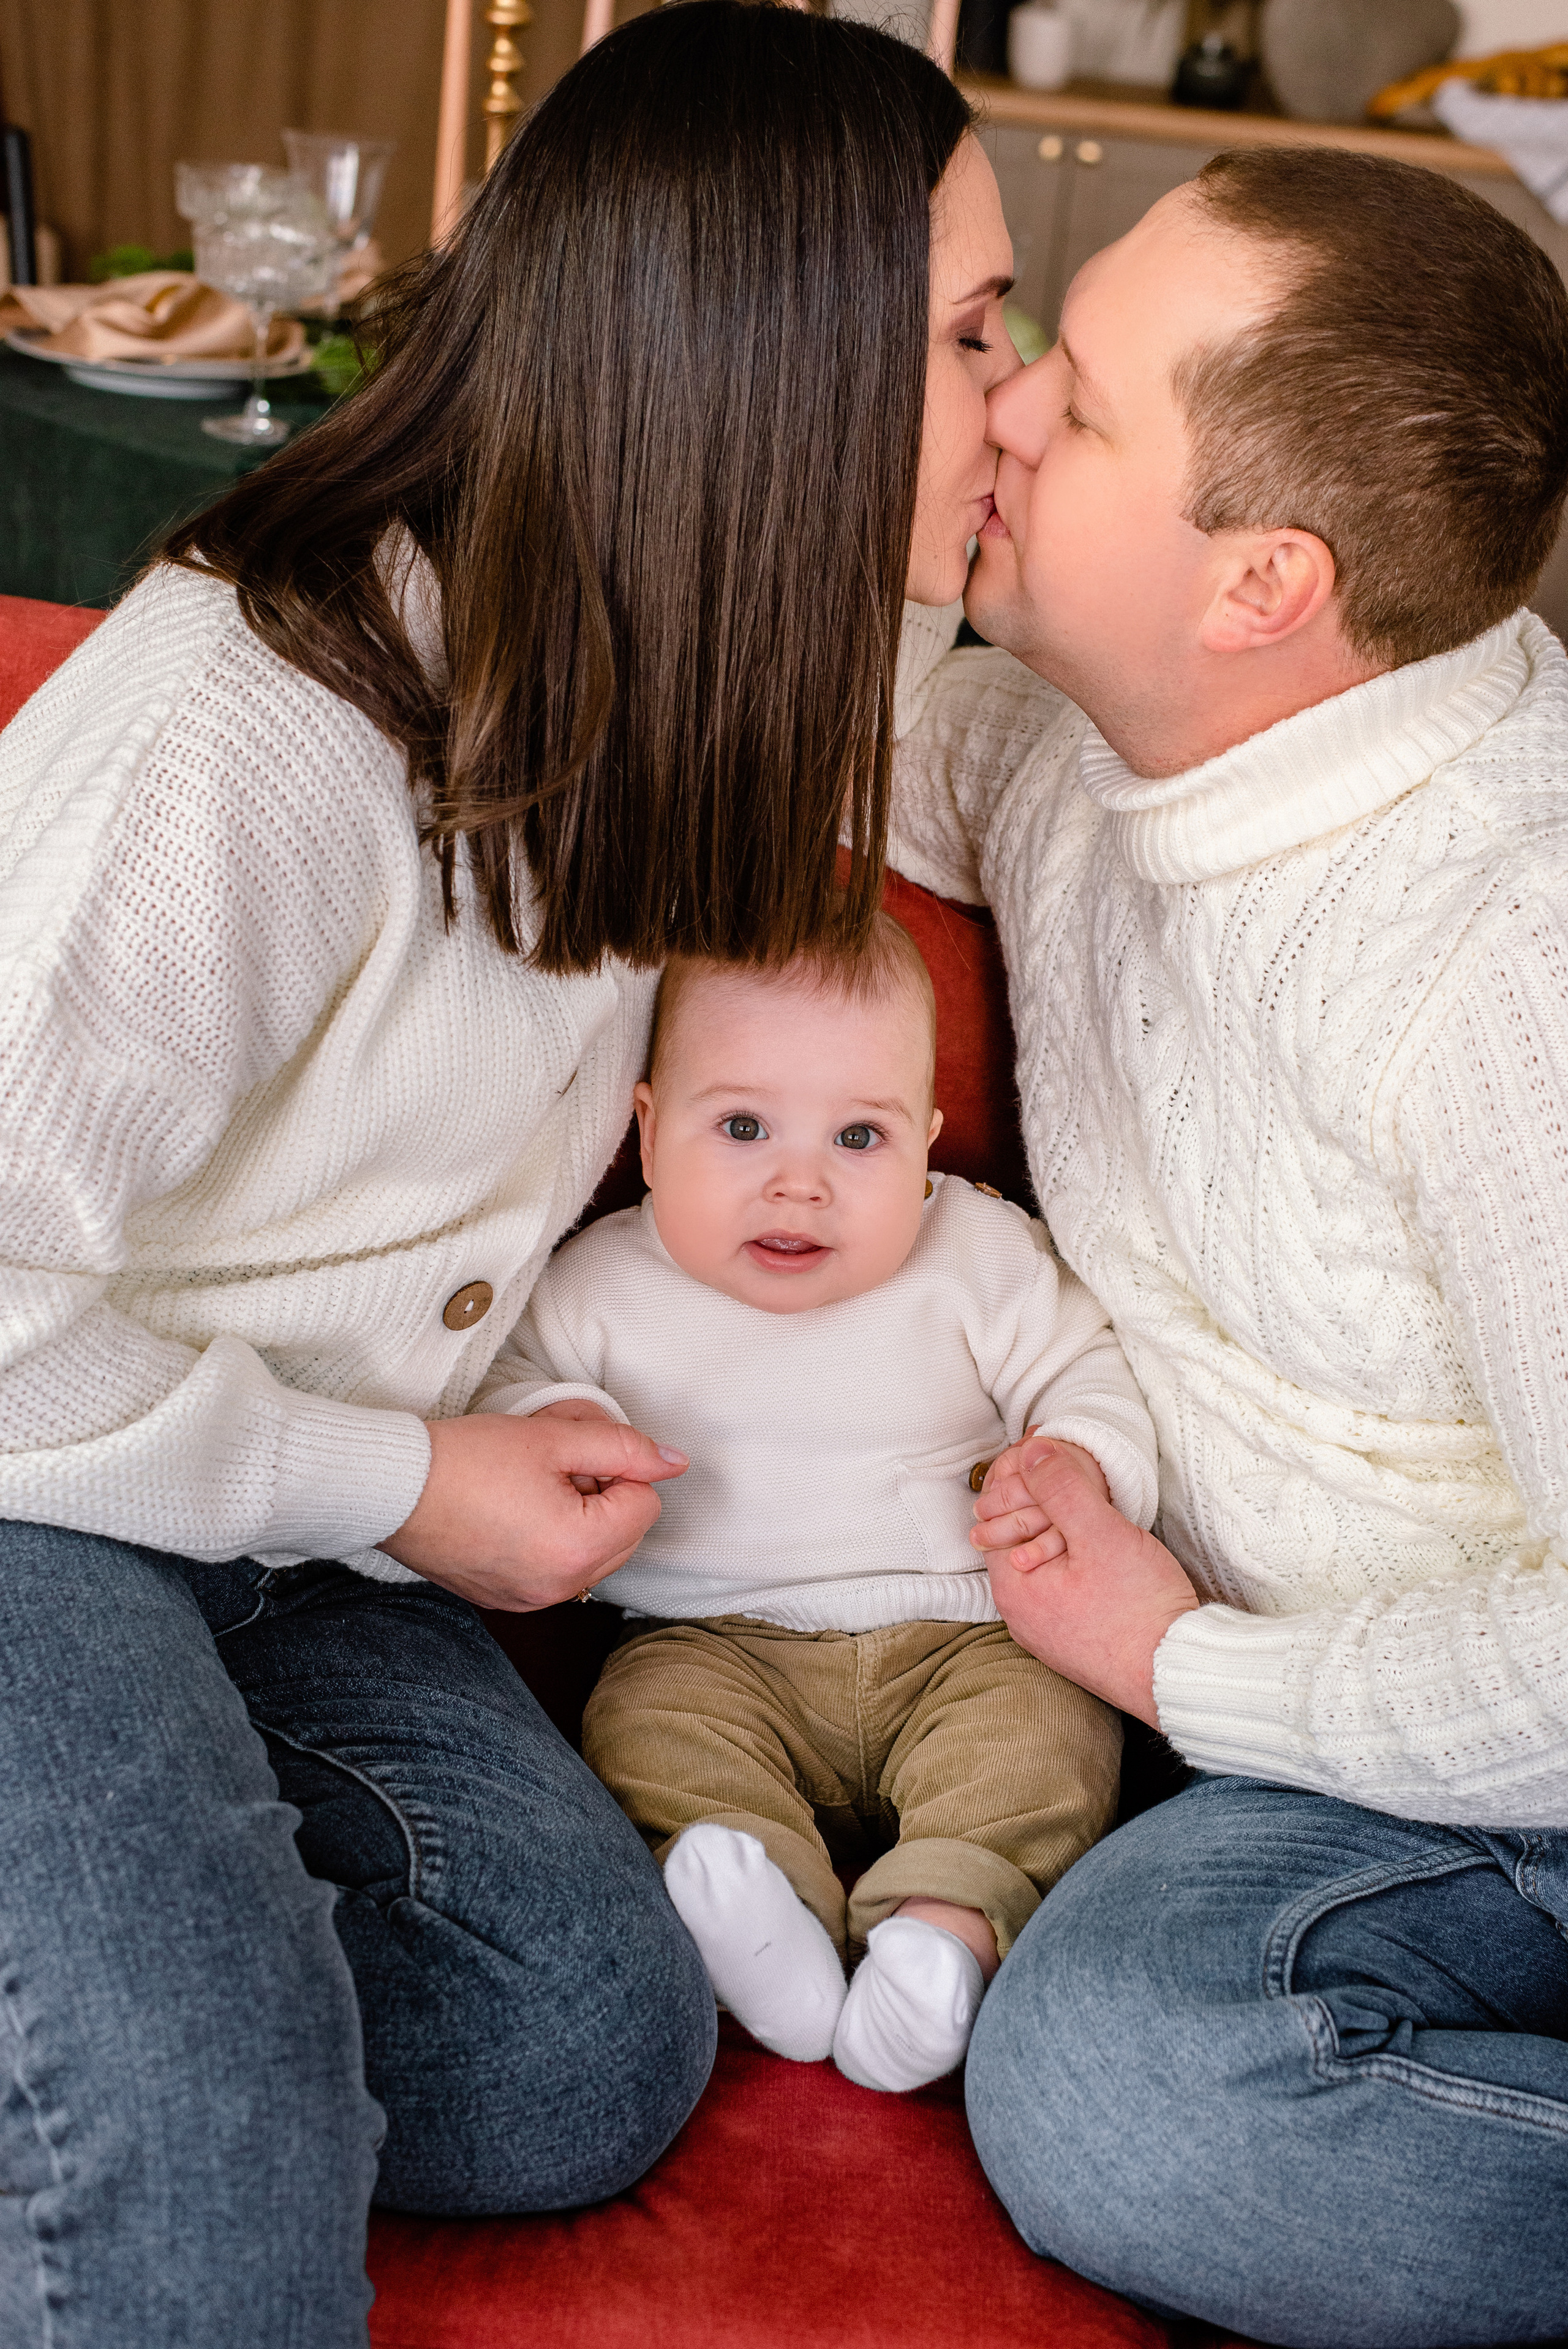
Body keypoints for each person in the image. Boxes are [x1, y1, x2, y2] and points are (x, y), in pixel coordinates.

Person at [0, 9, 1020, 2341]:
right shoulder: (255, 722)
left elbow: (1073, 716)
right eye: (974, 334)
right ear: (782, 368)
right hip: (35, 1476)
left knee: (583, 2045)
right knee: (199, 2145)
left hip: (271, 1533)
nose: (1026, 396)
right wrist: (396, 1470)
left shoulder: (686, 672)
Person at [891, 146, 1568, 2345]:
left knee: (1130, 2101)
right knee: (1122, 2076)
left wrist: (1183, 1669)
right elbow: (741, 693)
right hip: (1340, 1768)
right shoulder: (1088, 743)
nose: (999, 409)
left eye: (1074, 402)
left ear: (1263, 578)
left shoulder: (1510, 951)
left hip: (1489, 1745)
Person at [480, 918, 1156, 2091]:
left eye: (860, 1135)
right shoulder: (597, 1283)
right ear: (646, 1130)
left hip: (968, 1637)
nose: (801, 1180)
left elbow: (1089, 1367)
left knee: (1047, 1735)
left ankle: (945, 1930)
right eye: (742, 1126)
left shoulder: (977, 1252)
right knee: (646, 1728)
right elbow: (501, 1387)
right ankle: (766, 1919)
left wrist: (1077, 1464)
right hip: (710, 1644)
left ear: (928, 1147)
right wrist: (558, 1421)